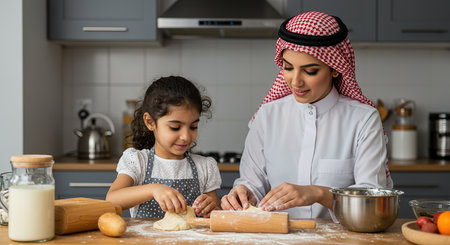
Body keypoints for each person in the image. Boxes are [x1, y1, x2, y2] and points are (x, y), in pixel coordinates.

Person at [221, 11, 393, 219]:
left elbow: (371, 200)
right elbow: (252, 183)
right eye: (288, 67)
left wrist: (318, 193)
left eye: (310, 71)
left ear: (335, 69)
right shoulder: (267, 116)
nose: (295, 81)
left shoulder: (363, 119)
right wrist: (243, 194)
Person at [106, 76, 221, 218]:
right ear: (150, 122)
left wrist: (211, 207)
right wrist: (152, 189)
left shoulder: (204, 167)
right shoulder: (138, 161)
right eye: (175, 127)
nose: (186, 136)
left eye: (193, 126)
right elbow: (112, 200)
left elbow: (215, 214)